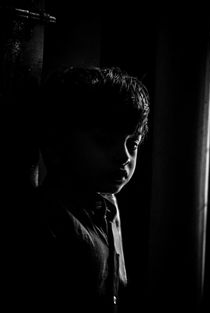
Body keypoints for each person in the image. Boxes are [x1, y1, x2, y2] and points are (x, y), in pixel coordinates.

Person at [29, 66, 150, 313]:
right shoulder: (48, 219)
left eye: (132, 143)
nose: (124, 156)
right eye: (105, 140)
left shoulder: (108, 206)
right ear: (57, 145)